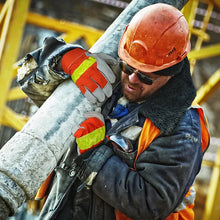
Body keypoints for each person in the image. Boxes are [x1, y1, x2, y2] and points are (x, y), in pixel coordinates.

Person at [0, 3, 209, 220]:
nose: (132, 80)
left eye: (146, 77)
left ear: (171, 74)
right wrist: (61, 61)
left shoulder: (183, 126)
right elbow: (29, 80)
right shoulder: (110, 77)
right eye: (128, 67)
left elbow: (152, 203)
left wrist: (93, 154)